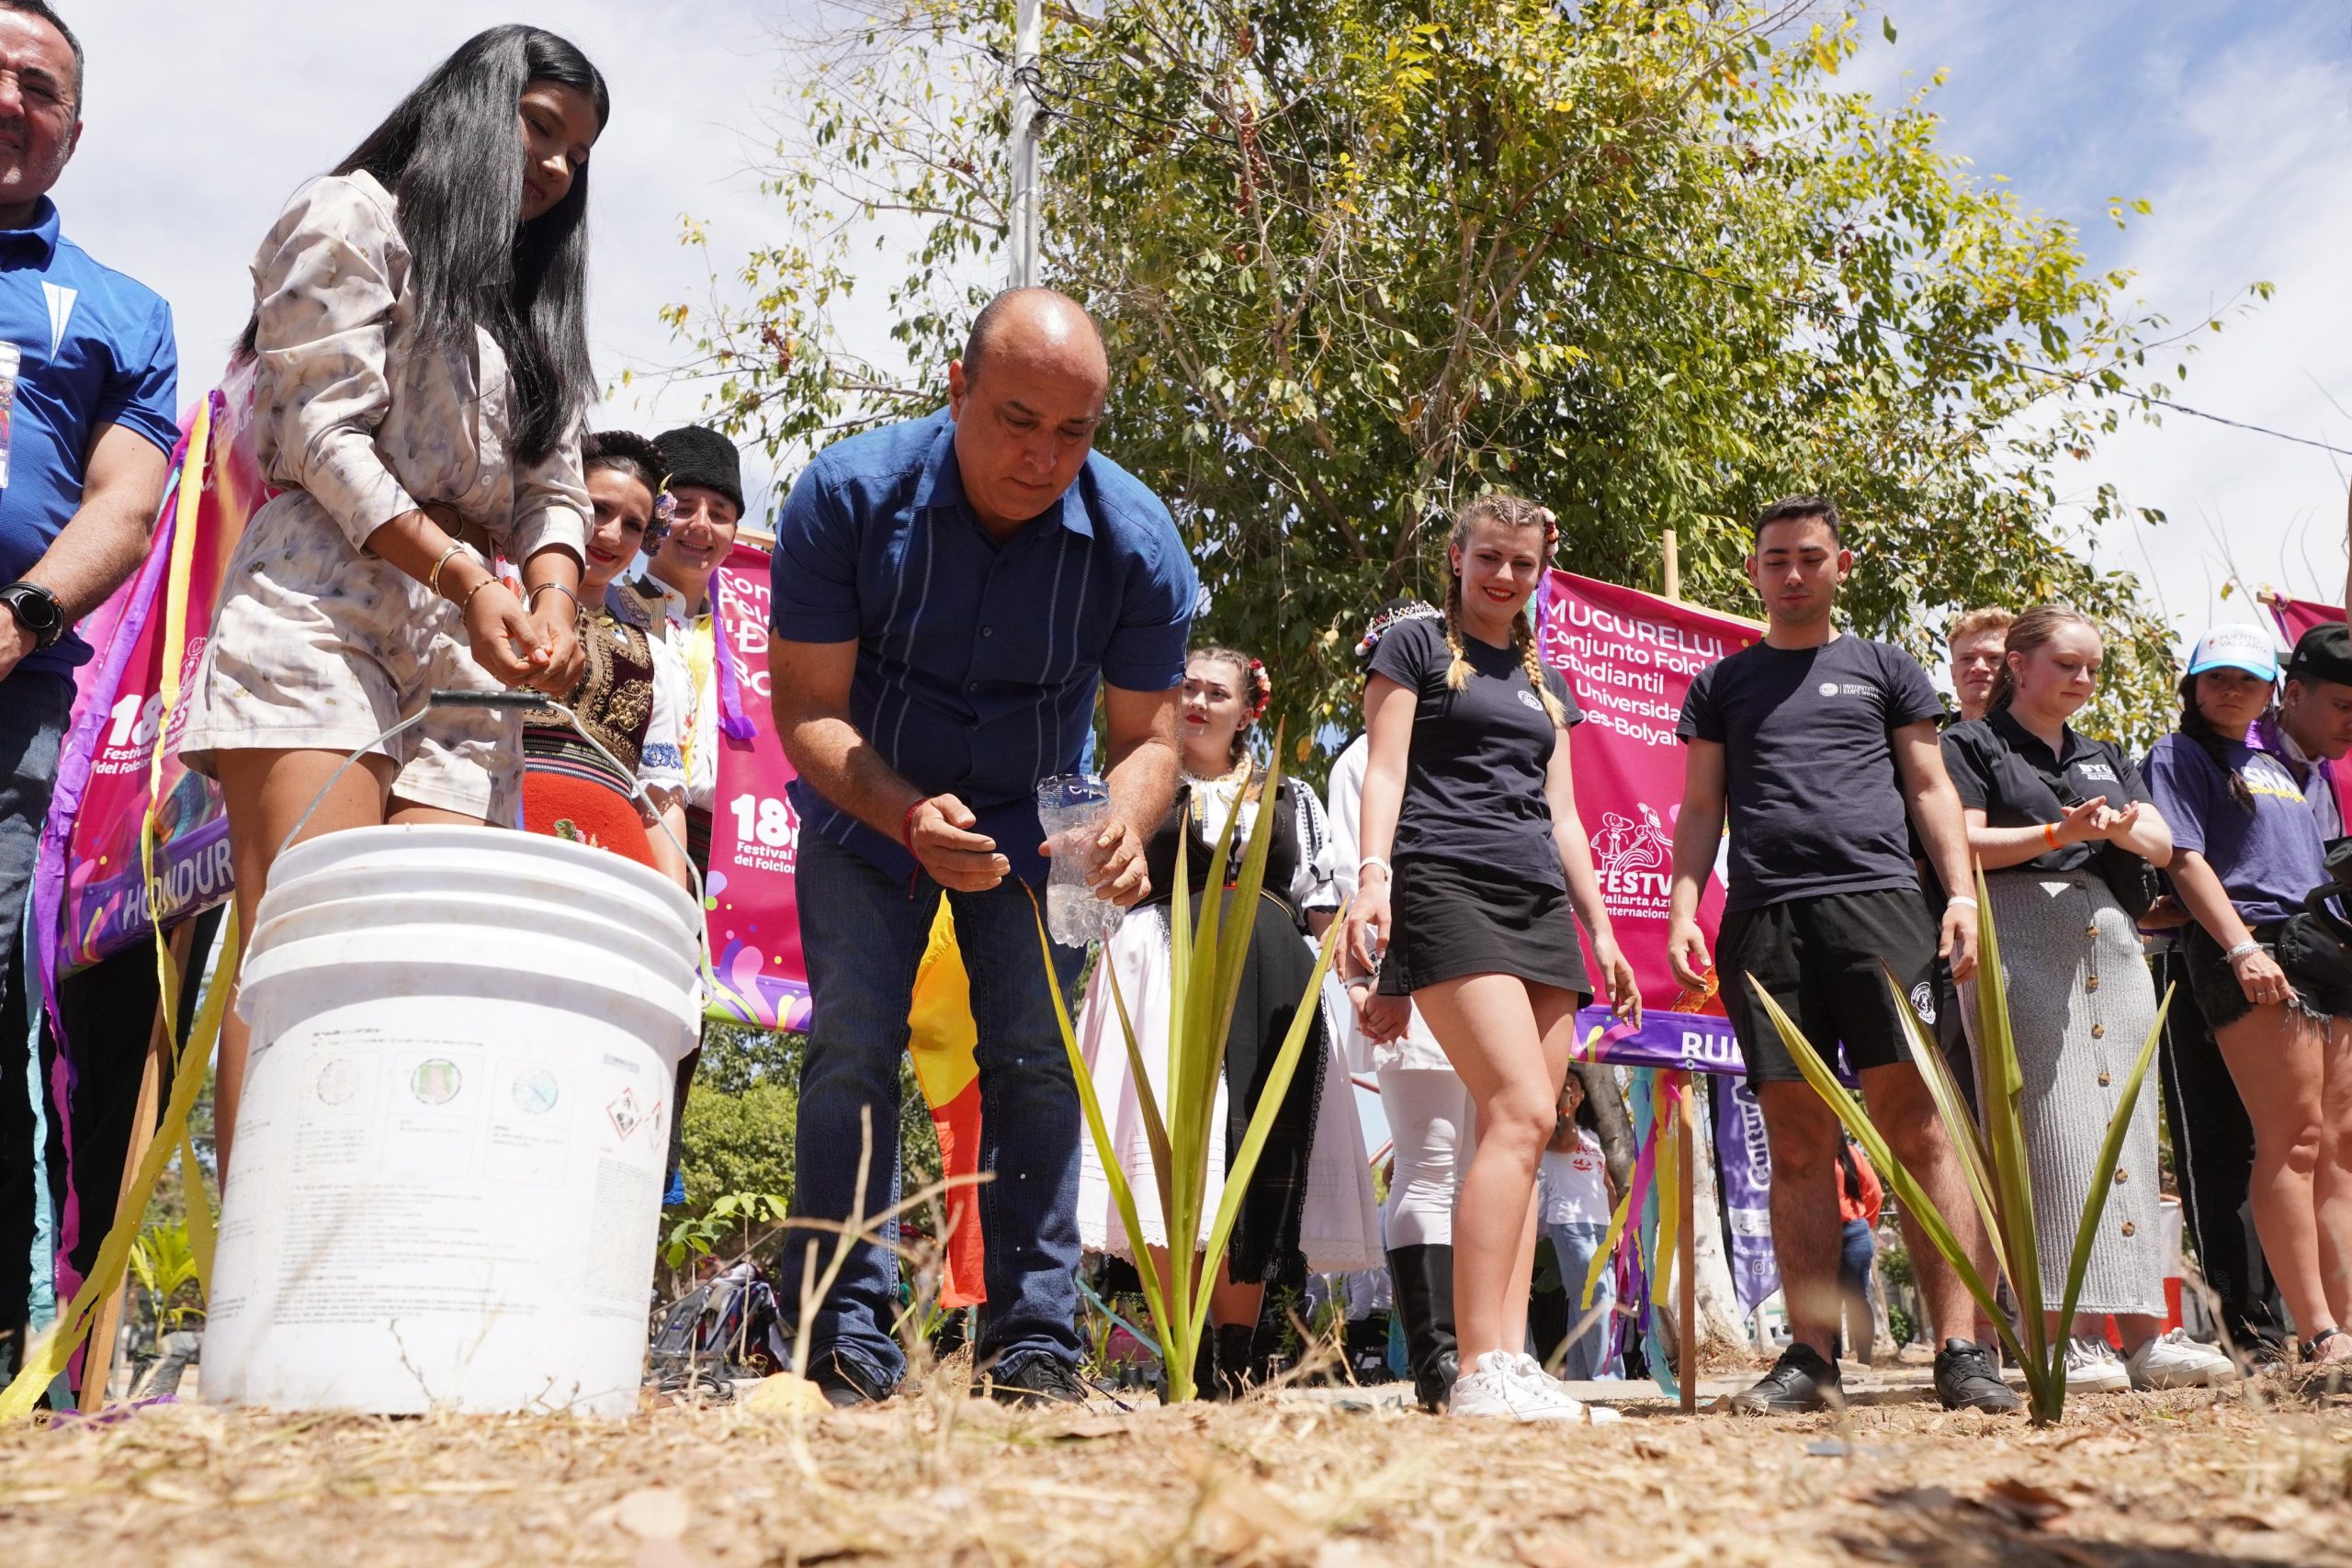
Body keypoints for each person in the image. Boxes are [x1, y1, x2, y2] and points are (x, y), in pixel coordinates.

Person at [179, 26, 605, 1180]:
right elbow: (318, 431)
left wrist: (554, 598)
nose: (559, 168)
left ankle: (369, 1298)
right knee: (308, 946)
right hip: (324, 603)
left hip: (463, 658)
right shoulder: (349, 217)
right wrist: (468, 575)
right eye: (541, 128)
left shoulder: (531, 303)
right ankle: (262, 1313)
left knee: (424, 969)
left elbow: (554, 482)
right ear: (472, 107)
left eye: (579, 153)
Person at [765, 288, 1197, 1407]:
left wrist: (1124, 820)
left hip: (1035, 831)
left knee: (1037, 1064)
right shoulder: (848, 494)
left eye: (1074, 432)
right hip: (868, 806)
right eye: (1016, 419)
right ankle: (842, 1331)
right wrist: (906, 812)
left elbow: (1148, 737)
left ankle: (1033, 1340)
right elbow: (808, 709)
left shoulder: (1139, 541)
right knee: (853, 1045)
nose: (1044, 457)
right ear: (955, 390)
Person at [1665, 495, 2018, 1416]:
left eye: (1809, 558)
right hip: (1764, 923)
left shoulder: (1885, 668)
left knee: (1922, 1129)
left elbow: (1931, 786)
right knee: (1796, 1141)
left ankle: (1960, 1351)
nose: (1791, 573)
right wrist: (1679, 908)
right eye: (1775, 558)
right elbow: (1701, 809)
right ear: (1753, 572)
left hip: (1882, 913)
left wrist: (1955, 898)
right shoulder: (1721, 685)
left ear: (1839, 566)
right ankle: (1810, 1359)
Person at [1344, 492, 1637, 1425]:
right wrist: (1372, 878)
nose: (1504, 577)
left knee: (1519, 1126)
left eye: (1522, 563)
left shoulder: (1548, 682)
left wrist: (1601, 929)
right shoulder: (1416, 647)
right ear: (1457, 558)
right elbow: (1383, 769)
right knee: (1513, 1111)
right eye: (1489, 560)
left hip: (1539, 903)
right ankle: (1475, 1368)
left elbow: (1563, 819)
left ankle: (1509, 1361)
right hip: (1444, 885)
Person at [0, 0, 180, 1373]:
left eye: (40, 86)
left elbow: (131, 499)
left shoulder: (124, 312)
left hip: (24, 708)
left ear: (73, 126)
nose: (12, 100)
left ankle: (27, 1347)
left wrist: (17, 618)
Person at [1940, 605, 2234, 1390]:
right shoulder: (1970, 743)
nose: (2083, 679)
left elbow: (2164, 844)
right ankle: (2062, 1335)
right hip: (2017, 929)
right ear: (2019, 664)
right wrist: (2054, 832)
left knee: (2128, 1128)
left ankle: (2148, 1333)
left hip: (2109, 937)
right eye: (2068, 664)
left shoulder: (2103, 752)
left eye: (2093, 668)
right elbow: (1961, 841)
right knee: (2045, 1129)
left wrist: (2118, 828)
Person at [1073, 646, 1378, 1397]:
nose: (1199, 702)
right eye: (1186, 689)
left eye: (1217, 692)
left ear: (1249, 710)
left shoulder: (1291, 799)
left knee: (1254, 1149)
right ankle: (1187, 1344)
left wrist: (1363, 982)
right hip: (1159, 974)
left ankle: (1237, 1351)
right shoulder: (1141, 791)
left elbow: (1322, 907)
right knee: (1172, 1145)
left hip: (1268, 979)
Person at [2145, 624, 2352, 1372]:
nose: (2231, 690)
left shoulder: (2274, 761)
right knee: (2292, 1140)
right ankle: (2317, 1332)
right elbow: (2185, 856)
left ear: (2273, 690)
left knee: (2339, 1148)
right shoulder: (2178, 753)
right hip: (2252, 945)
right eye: (2217, 678)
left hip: (2318, 945)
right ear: (2193, 685)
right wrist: (2240, 946)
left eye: (2247, 679)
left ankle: (2345, 1326)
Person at [1327, 597, 1473, 1413]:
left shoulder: (1472, 737)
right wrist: (1371, 983)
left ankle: (1492, 1348)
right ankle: (1437, 1359)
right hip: (1408, 980)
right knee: (1429, 1158)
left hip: (1489, 969)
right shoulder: (1359, 762)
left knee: (1489, 1157)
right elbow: (1360, 882)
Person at [518, 430, 691, 886]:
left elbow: (658, 796)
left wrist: (678, 912)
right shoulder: (498, 606)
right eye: (599, 510)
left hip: (614, 863)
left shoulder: (654, 652)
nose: (612, 534)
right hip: (500, 829)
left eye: (634, 524)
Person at [616, 423, 742, 866]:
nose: (702, 526)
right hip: (631, 824)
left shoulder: (752, 643)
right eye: (684, 507)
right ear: (655, 517)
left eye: (721, 513)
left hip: (731, 849)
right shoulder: (611, 610)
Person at [1538, 1070, 1616, 1382]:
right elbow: (1566, 1143)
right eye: (1564, 1082)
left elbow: (1607, 1183)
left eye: (1576, 1085)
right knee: (1596, 1296)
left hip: (1600, 1226)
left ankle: (1582, 1377)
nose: (1570, 1087)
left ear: (1584, 1095)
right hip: (1570, 1222)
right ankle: (1608, 1376)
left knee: (1591, 1300)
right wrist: (1563, 1111)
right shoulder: (1550, 1131)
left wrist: (1616, 1227)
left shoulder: (1592, 1137)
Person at [1834, 1136, 1883, 1366]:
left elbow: (1875, 1194)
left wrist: (1863, 1225)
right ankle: (1829, 1363)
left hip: (1854, 1233)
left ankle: (1865, 1361)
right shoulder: (1806, 1150)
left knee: (1856, 1300)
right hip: (1821, 1237)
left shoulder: (1851, 1153)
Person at [1947, 608, 2014, 726]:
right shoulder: (1936, 743)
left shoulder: (2047, 741)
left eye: (1994, 658)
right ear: (1953, 674)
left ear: (2016, 667)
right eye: (1967, 659)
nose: (1979, 667)